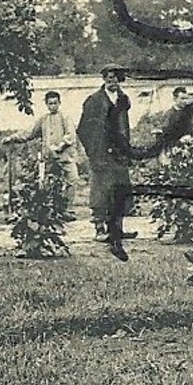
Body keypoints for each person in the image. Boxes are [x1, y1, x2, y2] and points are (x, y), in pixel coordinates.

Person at [77, 64, 135, 259]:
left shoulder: (123, 100)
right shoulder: (94, 101)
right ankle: (99, 229)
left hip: (119, 153)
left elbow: (125, 127)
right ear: (104, 79)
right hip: (101, 154)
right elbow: (83, 129)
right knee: (101, 190)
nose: (113, 80)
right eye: (109, 77)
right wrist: (94, 152)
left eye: (116, 77)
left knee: (121, 189)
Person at [5, 89, 78, 183]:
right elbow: (30, 132)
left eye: (55, 103)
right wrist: (12, 138)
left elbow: (70, 135)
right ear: (46, 104)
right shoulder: (44, 119)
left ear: (59, 103)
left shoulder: (65, 118)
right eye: (50, 103)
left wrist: (61, 146)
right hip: (50, 160)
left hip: (65, 159)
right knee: (50, 185)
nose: (53, 106)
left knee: (72, 180)